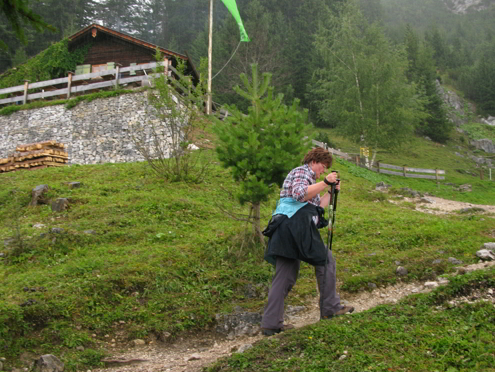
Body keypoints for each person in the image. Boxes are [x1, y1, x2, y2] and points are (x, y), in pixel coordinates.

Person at [260, 147, 354, 336]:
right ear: (313, 162)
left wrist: (331, 191)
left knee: (284, 276)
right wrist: (325, 182)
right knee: (325, 259)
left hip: (285, 228)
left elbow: (316, 206)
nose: (323, 171)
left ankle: (271, 324)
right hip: (296, 226)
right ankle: (330, 308)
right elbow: (299, 194)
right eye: (323, 166)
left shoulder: (311, 180)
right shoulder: (302, 171)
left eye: (326, 169)